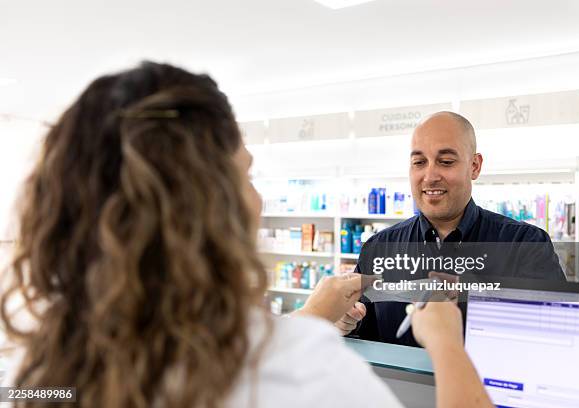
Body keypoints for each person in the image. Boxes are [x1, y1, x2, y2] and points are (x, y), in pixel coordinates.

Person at [0, 63, 492, 407]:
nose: (258, 201)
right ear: (211, 204)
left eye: (445, 160)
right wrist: (445, 343)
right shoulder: (302, 374)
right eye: (247, 176)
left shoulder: (38, 377)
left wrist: (310, 319)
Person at [337, 111, 566, 343]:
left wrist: (478, 297)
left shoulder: (524, 244)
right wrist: (345, 322)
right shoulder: (379, 248)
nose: (430, 176)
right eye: (419, 162)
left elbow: (559, 331)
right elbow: (361, 330)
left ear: (475, 166)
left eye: (446, 162)